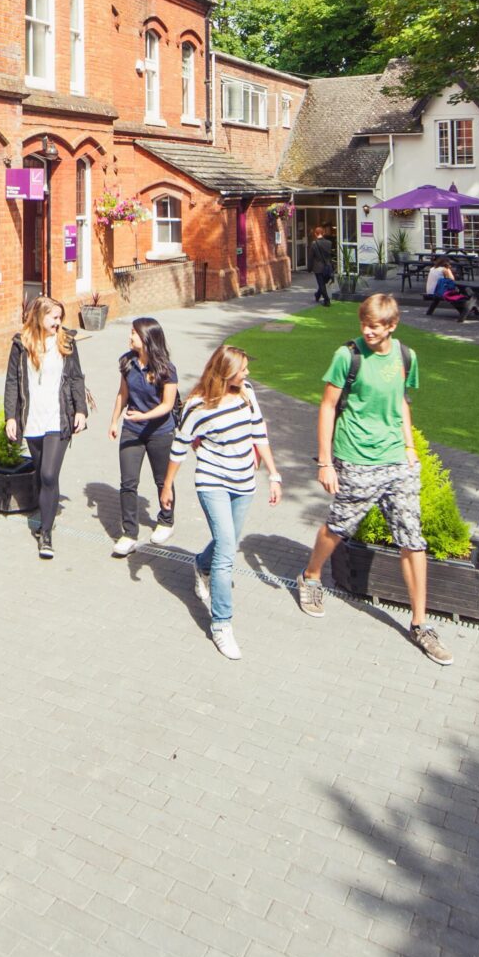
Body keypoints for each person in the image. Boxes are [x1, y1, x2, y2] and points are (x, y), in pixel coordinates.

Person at [293, 295, 455, 665]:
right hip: (356, 459)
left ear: (391, 326)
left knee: (413, 541)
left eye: (375, 326)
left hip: (398, 461)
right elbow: (327, 406)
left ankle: (420, 624)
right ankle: (311, 576)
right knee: (338, 527)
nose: (367, 331)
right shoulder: (346, 356)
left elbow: (402, 401)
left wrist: (411, 446)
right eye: (364, 324)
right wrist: (325, 462)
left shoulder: (405, 357)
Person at [158, 342, 281, 659]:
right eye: (242, 369)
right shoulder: (197, 407)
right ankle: (221, 625)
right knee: (227, 555)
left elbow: (259, 432)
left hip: (245, 482)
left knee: (227, 542)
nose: (248, 372)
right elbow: (180, 447)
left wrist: (274, 473)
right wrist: (167, 486)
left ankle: (200, 565)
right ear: (226, 372)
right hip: (212, 483)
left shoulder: (246, 392)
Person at [2, 295, 87, 559]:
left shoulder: (67, 341)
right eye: (54, 317)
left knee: (49, 474)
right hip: (33, 418)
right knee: (41, 474)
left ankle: (46, 533)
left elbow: (75, 378)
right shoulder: (21, 344)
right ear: (40, 316)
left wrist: (81, 410)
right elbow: (12, 383)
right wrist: (11, 416)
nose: (58, 322)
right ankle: (46, 513)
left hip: (58, 417)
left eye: (60, 317)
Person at [109, 317, 181, 557]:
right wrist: (114, 421)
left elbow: (168, 405)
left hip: (160, 431)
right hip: (133, 430)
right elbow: (122, 393)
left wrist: (144, 416)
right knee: (128, 482)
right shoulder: (127, 362)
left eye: (134, 334)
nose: (130, 337)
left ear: (147, 338)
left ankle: (166, 520)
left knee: (163, 480)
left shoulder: (166, 369)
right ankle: (129, 534)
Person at [307, 227, 336, 306]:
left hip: (318, 267)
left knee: (321, 284)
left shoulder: (314, 244)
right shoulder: (329, 243)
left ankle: (327, 300)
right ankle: (317, 295)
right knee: (323, 283)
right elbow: (330, 255)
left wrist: (309, 268)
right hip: (327, 266)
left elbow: (311, 257)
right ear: (323, 233)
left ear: (315, 234)